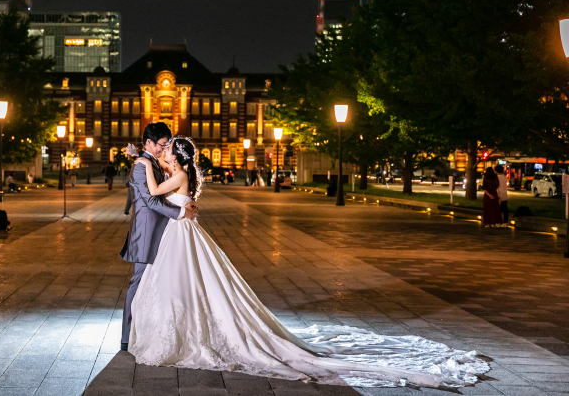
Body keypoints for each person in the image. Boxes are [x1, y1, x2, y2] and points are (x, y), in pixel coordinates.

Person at [126, 137, 489, 389]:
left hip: (182, 235)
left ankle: (186, 332)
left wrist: (142, 162)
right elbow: (169, 186)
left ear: (177, 157)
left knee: (182, 285)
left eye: (169, 150)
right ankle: (190, 327)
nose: (165, 152)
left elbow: (156, 190)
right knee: (189, 286)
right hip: (182, 233)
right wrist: (148, 163)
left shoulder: (174, 174)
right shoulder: (178, 171)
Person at [119, 122, 199, 352]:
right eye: (161, 145)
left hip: (161, 232)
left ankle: (147, 331)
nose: (164, 150)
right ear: (149, 143)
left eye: (166, 146)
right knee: (138, 284)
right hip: (145, 233)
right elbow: (151, 200)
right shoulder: (139, 167)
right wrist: (180, 212)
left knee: (153, 285)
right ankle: (126, 337)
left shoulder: (152, 160)